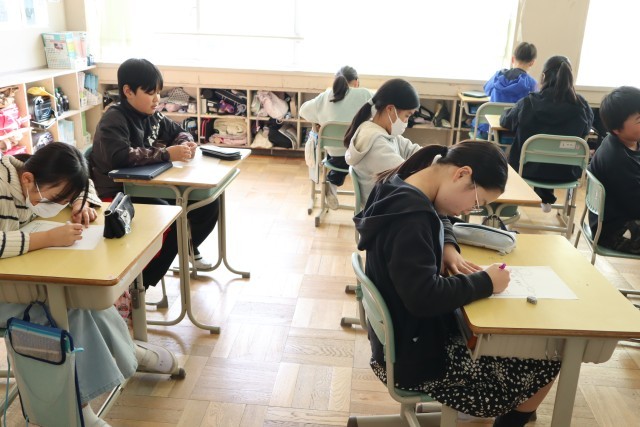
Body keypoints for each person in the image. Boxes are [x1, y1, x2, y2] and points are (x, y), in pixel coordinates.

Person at [354, 141, 560, 426]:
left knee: (510, 338)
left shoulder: (399, 184)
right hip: (418, 361)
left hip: (402, 342)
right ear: (462, 174)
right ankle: (512, 416)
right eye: (476, 202)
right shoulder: (412, 220)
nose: (468, 210)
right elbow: (424, 298)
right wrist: (486, 281)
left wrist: (448, 246)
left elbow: (440, 217)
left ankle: (516, 411)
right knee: (547, 357)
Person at [0, 143, 179, 427]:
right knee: (62, 309)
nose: (57, 205)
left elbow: (83, 186)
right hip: (7, 290)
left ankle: (126, 352)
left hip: (20, 275)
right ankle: (78, 408)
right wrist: (46, 239)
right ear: (27, 180)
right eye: (57, 199)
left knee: (83, 296)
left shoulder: (29, 169)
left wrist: (81, 203)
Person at [90, 58, 218, 287]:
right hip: (118, 192)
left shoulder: (151, 114)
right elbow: (120, 157)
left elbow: (178, 131)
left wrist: (185, 143)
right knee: (170, 216)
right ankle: (140, 285)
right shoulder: (114, 118)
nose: (157, 98)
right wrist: (166, 154)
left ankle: (187, 247)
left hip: (146, 185)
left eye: (158, 92)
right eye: (150, 93)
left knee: (207, 203)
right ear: (128, 91)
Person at [344, 78, 478, 275]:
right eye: (407, 116)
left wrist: (446, 162)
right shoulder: (375, 143)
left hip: (391, 209)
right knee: (447, 216)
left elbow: (415, 153)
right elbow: (407, 181)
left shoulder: (382, 132)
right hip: (388, 217)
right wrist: (442, 172)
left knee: (450, 222)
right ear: (391, 110)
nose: (407, 121)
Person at [500, 55, 593, 212]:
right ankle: (546, 197)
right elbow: (585, 130)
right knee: (554, 152)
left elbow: (506, 121)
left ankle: (510, 205)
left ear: (543, 76)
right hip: (567, 172)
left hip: (526, 169)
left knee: (523, 151)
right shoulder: (582, 106)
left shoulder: (529, 103)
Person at [299, 65, 373, 209]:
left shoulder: (326, 96)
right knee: (361, 152)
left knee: (341, 156)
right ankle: (366, 199)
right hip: (358, 155)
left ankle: (332, 183)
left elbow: (303, 111)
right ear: (356, 82)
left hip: (334, 154)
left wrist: (320, 119)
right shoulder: (365, 94)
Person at [588, 86, 640, 254]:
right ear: (617, 129)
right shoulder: (617, 158)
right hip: (616, 231)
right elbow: (635, 206)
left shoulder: (630, 142)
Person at [474, 42, 538, 138]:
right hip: (513, 134)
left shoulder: (497, 76)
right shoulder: (532, 84)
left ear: (513, 59)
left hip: (489, 132)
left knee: (474, 122)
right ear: (532, 62)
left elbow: (487, 90)